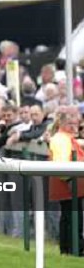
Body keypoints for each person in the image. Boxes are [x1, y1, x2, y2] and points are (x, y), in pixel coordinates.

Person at [48, 106, 84, 255]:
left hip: (70, 184)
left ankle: (68, 248)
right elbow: (61, 162)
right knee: (72, 218)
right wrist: (69, 179)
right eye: (72, 124)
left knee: (69, 217)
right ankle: (74, 248)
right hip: (69, 185)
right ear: (64, 124)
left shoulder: (64, 137)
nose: (75, 127)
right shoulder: (61, 139)